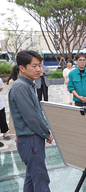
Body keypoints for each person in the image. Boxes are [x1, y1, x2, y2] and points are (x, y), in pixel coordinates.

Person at [8, 50, 53, 191]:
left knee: (31, 179)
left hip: (32, 138)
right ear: (22, 68)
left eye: (39, 65)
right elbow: (32, 117)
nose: (39, 69)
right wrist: (46, 132)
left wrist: (46, 129)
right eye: (34, 66)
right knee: (41, 181)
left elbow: (37, 113)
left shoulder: (28, 85)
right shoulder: (20, 86)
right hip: (30, 140)